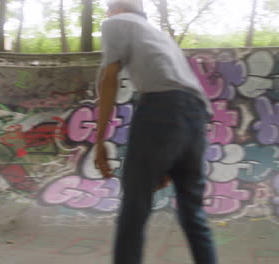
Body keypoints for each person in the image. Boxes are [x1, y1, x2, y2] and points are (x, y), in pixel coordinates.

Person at [94, 1, 217, 263]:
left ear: (114, 8)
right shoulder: (160, 36)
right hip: (196, 115)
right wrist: (167, 160)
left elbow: (109, 78)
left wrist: (99, 140)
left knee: (134, 211)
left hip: (160, 109)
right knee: (193, 213)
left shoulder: (115, 23)